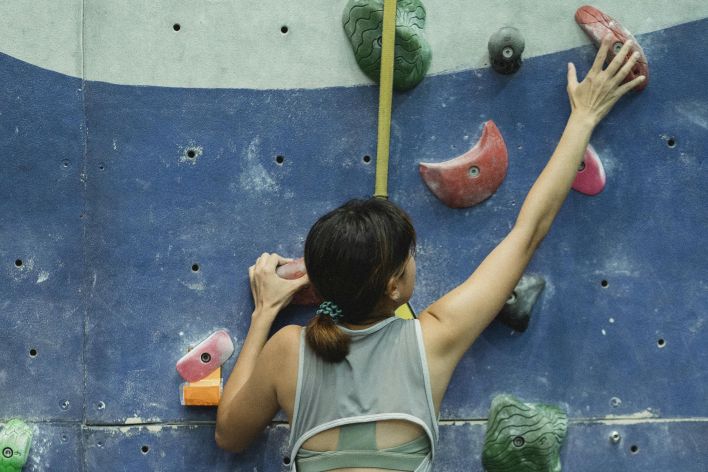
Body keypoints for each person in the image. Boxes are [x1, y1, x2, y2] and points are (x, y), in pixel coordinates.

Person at [215, 36, 645, 471]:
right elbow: (527, 233)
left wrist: (265, 312)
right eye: (410, 257)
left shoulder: (289, 350)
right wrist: (583, 117)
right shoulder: (432, 340)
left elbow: (230, 435)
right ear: (395, 286)